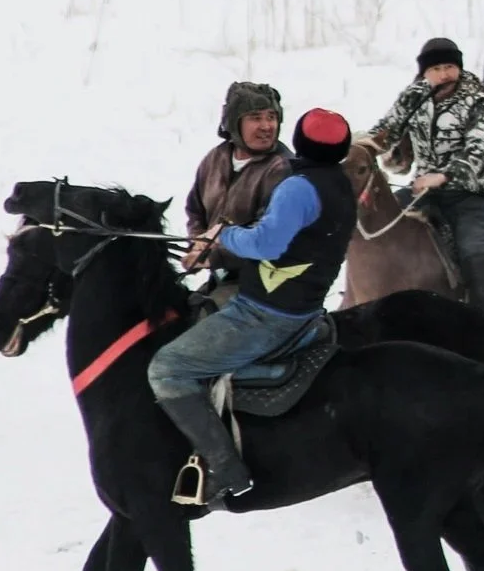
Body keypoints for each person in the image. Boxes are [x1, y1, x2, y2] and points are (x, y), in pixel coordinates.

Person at [148, 107, 356, 509]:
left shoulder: (299, 188)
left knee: (167, 368)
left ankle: (225, 470)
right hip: (303, 310)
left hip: (266, 315)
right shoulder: (338, 183)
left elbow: (267, 244)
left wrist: (224, 236)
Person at [368, 39, 484, 319]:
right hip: (423, 192)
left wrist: (443, 175)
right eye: (436, 68)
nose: (444, 74)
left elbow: (478, 148)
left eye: (449, 67)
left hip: (473, 193)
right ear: (424, 72)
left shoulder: (477, 99)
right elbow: (386, 131)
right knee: (381, 227)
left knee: (477, 253)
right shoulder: (413, 97)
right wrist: (358, 148)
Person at [181, 82, 292, 295]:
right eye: (255, 117)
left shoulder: (281, 169)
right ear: (234, 123)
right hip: (220, 279)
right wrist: (198, 243)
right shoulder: (215, 159)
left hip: (263, 285)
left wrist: (214, 256)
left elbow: (265, 235)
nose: (266, 126)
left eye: (271, 117)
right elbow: (195, 210)